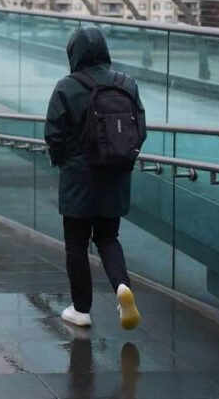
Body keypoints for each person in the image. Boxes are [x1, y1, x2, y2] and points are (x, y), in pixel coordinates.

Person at [45, 25, 144, 331]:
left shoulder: (67, 86)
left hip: (78, 178)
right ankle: (121, 288)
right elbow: (139, 128)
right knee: (107, 237)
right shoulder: (127, 83)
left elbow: (53, 134)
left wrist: (62, 161)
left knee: (76, 243)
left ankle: (81, 309)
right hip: (115, 176)